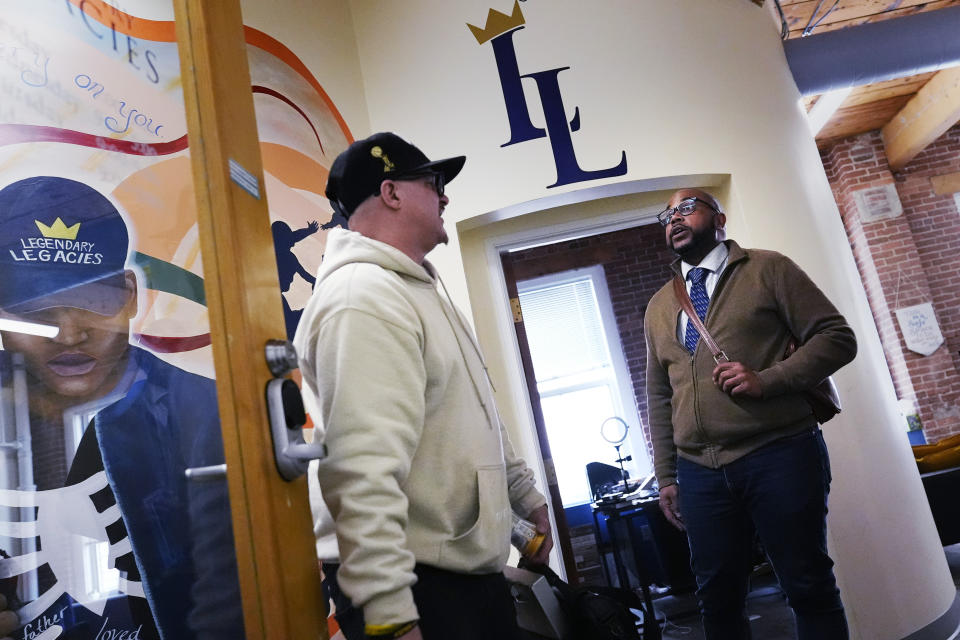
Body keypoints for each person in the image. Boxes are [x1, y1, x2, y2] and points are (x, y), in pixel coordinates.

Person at [294, 132, 552, 640]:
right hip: (413, 589)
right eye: (433, 183)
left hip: (458, 577)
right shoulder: (362, 298)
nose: (445, 196)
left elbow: (475, 410)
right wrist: (389, 616)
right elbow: (360, 472)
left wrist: (523, 495)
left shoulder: (415, 288)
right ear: (391, 193)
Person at [0, 176, 243, 639]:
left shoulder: (200, 412)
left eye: (93, 300)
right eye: (35, 309)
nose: (69, 334)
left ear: (130, 295)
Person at [643, 188, 857, 640]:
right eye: (667, 214)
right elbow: (659, 395)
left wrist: (768, 379)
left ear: (718, 219)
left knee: (806, 585)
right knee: (716, 601)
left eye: (686, 208)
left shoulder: (768, 268)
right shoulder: (660, 305)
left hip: (779, 453)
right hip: (699, 471)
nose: (674, 218)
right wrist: (666, 475)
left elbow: (837, 337)